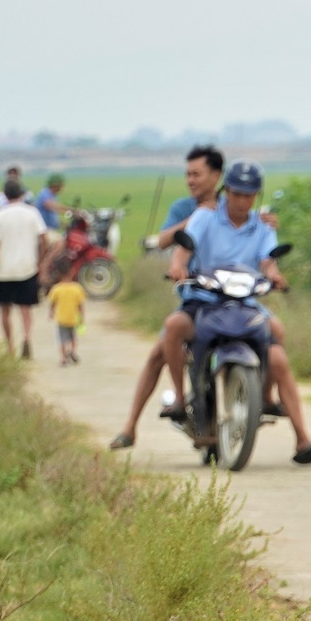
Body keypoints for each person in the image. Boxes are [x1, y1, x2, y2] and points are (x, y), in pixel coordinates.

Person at [167, 161, 311, 465]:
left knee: (277, 340)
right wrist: (178, 266)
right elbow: (183, 250)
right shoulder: (205, 217)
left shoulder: (263, 226)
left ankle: (299, 434)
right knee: (174, 326)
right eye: (237, 193)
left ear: (256, 195)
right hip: (205, 299)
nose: (242, 200)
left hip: (245, 303)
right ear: (226, 191)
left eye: (249, 195)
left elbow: (268, 261)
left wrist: (275, 275)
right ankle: (178, 397)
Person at [112, 146, 225, 449]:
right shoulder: (183, 208)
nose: (190, 180)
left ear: (216, 176)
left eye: (196, 174)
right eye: (187, 174)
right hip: (195, 296)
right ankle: (135, 424)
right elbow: (163, 240)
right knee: (158, 353)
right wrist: (195, 218)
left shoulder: (232, 206)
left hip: (229, 296)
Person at [0, 181, 51, 359]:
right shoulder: (32, 213)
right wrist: (41, 261)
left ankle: (9, 346)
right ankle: (26, 337)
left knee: (5, 310)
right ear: (22, 194)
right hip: (27, 267)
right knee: (26, 309)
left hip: (4, 270)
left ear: (5, 196)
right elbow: (43, 238)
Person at [50, 276, 85, 366]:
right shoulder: (77, 288)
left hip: (61, 319)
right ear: (71, 272)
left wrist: (51, 312)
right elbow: (80, 305)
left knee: (62, 340)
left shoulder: (56, 289)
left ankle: (63, 358)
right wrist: (82, 318)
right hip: (73, 318)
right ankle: (72, 351)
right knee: (73, 337)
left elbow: (53, 303)